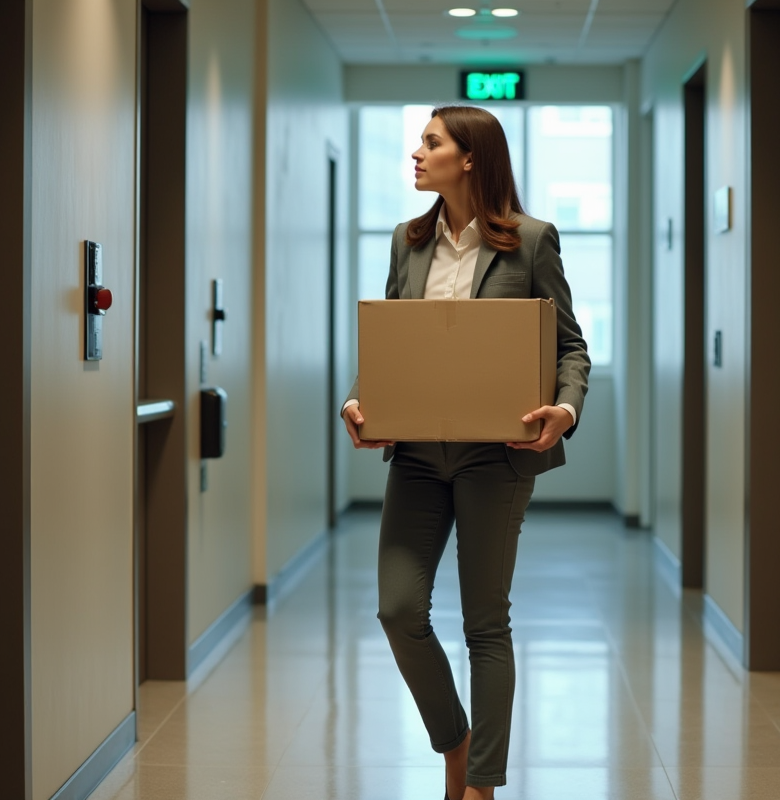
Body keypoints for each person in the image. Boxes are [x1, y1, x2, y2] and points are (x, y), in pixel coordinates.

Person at [341, 105, 590, 800]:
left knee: (485, 622)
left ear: (470, 157)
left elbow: (571, 347)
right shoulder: (407, 242)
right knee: (399, 610)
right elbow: (390, 351)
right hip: (419, 456)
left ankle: (480, 786)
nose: (416, 155)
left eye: (431, 143)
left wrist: (563, 411)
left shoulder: (532, 241)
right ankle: (456, 739)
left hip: (496, 457)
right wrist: (361, 402)